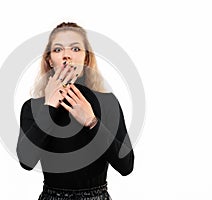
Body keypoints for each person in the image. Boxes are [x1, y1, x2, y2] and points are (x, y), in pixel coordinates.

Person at [16, 22, 134, 200]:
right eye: (58, 50)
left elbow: (126, 165)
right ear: (49, 61)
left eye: (75, 49)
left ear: (86, 59)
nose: (66, 56)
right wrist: (49, 107)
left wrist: (92, 122)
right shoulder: (33, 107)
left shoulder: (107, 102)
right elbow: (26, 161)